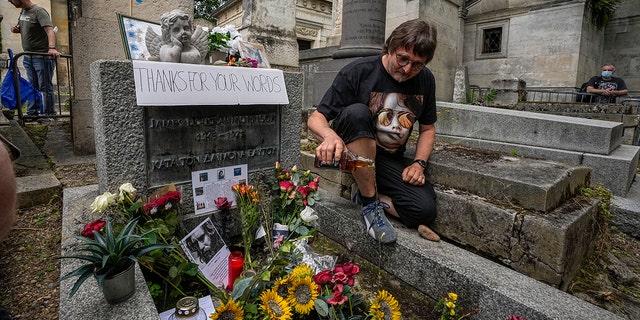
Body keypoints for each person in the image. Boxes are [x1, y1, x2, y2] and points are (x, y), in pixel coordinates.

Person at [307, 19, 441, 244]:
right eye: (403, 59)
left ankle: (367, 195)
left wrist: (419, 163)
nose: (408, 69)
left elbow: (427, 128)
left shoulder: (425, 79)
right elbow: (316, 118)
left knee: (425, 211)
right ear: (390, 47)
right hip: (355, 155)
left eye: (417, 64)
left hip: (387, 160)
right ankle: (371, 205)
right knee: (357, 113)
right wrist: (330, 136)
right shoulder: (359, 71)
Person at [8, 0, 60, 120]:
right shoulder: (23, 12)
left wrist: (51, 48)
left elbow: (49, 30)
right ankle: (32, 113)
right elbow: (28, 28)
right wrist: (18, 30)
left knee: (44, 86)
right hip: (28, 56)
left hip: (41, 57)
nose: (9, 1)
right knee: (32, 86)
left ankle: (48, 114)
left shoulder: (39, 11)